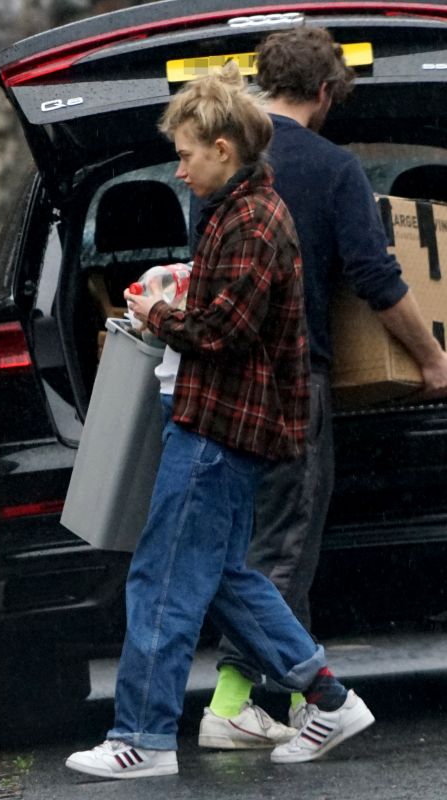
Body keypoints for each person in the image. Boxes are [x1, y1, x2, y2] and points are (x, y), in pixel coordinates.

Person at [64, 60, 374, 780]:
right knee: (230, 577)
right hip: (227, 428)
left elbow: (223, 330)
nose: (179, 170)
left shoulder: (250, 219)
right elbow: (230, 310)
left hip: (214, 431)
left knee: (162, 581)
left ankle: (140, 738)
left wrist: (154, 311)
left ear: (223, 150)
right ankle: (329, 698)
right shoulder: (242, 213)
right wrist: (180, 286)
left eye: (185, 154)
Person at [197, 26, 447, 751]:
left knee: (251, 539)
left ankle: (281, 698)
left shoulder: (222, 157)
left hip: (218, 382)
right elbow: (376, 280)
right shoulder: (331, 167)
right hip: (288, 380)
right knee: (284, 543)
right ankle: (233, 701)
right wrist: (431, 358)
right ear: (327, 91)